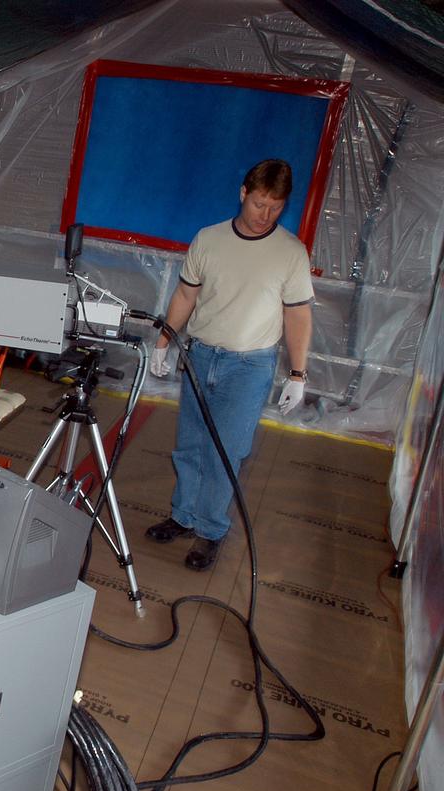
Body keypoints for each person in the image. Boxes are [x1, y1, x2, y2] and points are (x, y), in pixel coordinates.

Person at [145, 159, 314, 571]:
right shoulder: (209, 239)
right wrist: (164, 342)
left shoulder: (290, 253)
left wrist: (297, 374)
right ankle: (184, 516)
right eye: (259, 204)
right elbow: (186, 296)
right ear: (243, 193)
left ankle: (211, 530)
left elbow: (297, 315)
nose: (265, 215)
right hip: (201, 356)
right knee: (190, 444)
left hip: (250, 366)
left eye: (275, 207)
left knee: (227, 451)